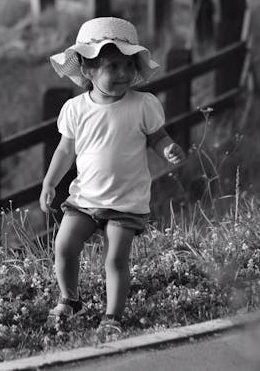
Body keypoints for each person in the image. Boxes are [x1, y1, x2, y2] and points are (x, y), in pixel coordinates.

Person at [39, 16, 185, 332]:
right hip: (85, 197)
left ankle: (112, 317)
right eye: (112, 67)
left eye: (127, 65)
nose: (123, 74)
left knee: (115, 259)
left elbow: (158, 138)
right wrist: (50, 182)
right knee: (64, 245)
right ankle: (69, 299)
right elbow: (66, 151)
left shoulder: (142, 104)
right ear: (88, 71)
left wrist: (169, 149)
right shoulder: (76, 109)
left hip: (125, 201)